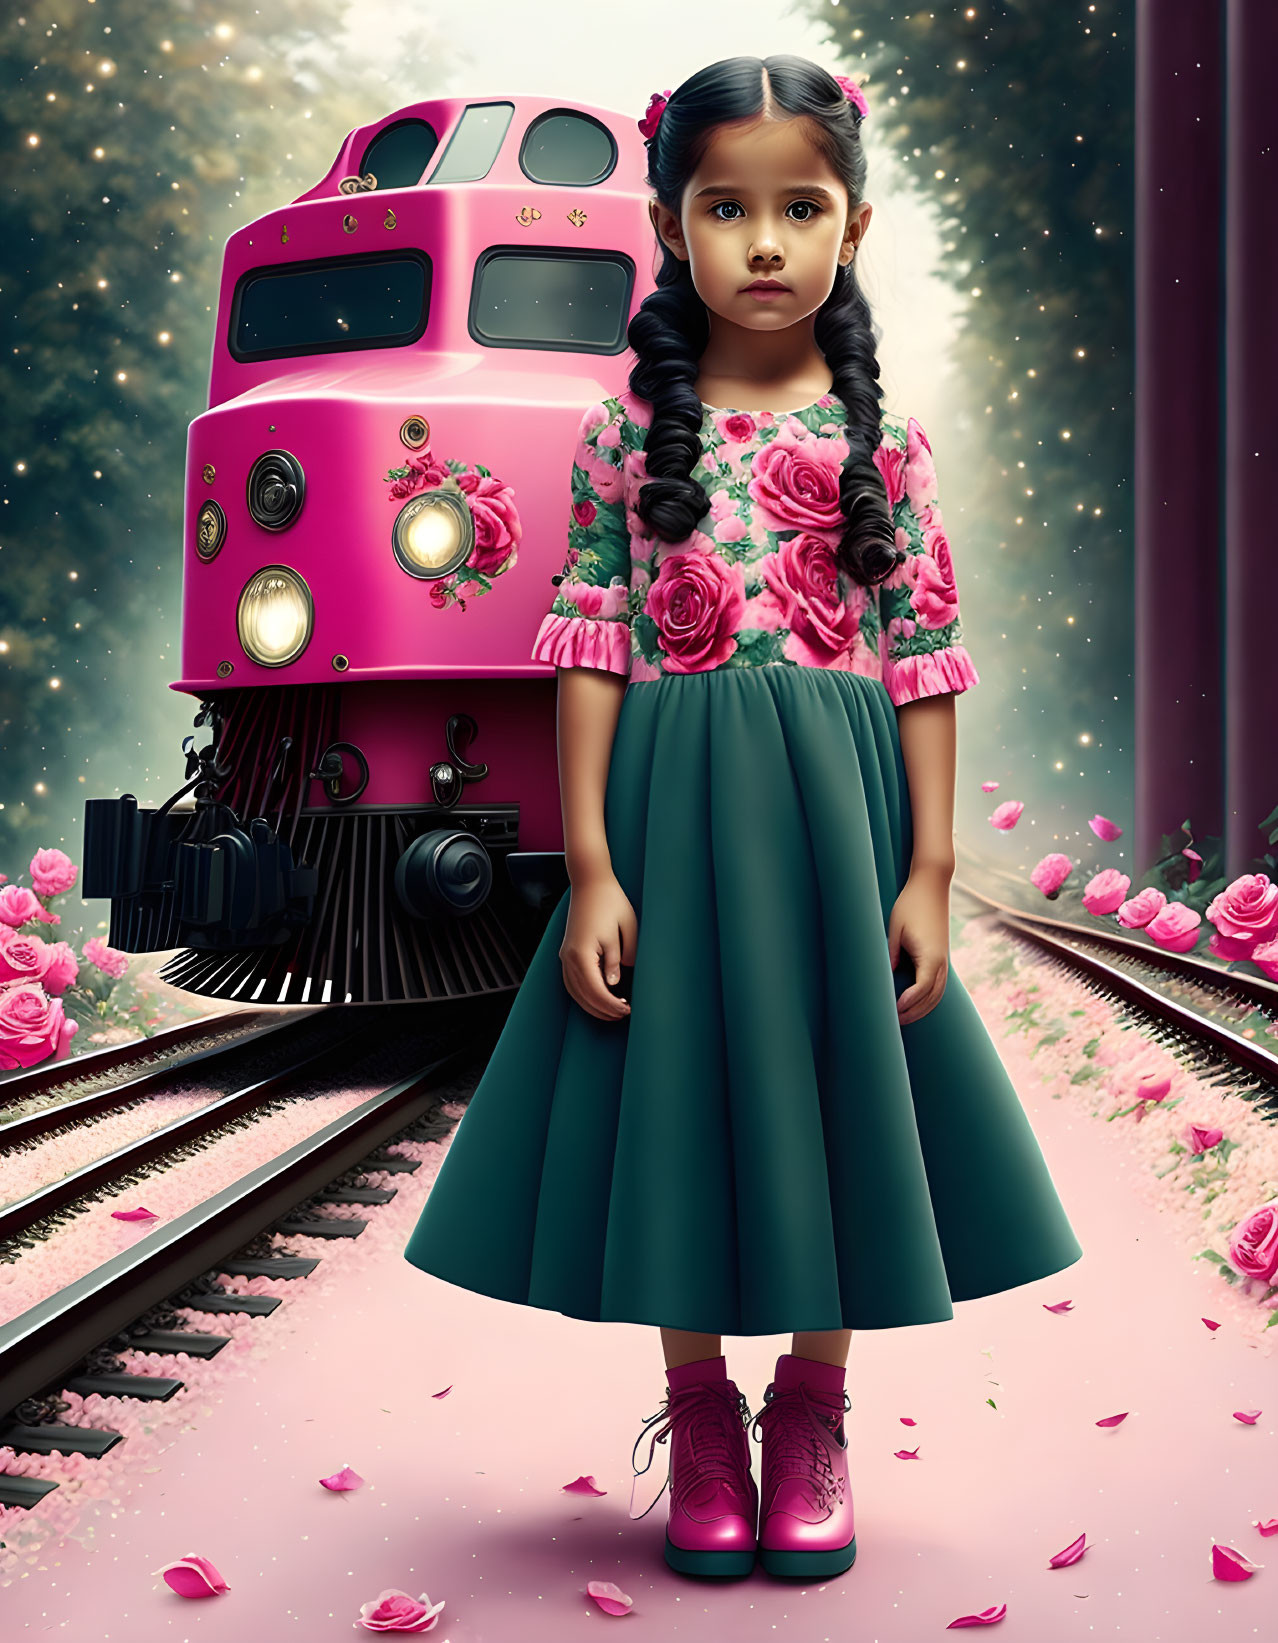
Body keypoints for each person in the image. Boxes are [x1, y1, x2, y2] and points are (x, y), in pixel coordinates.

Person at [403, 54, 1082, 1585]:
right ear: (668, 224)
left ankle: (817, 1409)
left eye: (799, 207)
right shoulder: (617, 441)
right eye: (725, 208)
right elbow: (586, 649)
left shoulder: (879, 446)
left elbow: (920, 663)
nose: (762, 243)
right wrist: (588, 864)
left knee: (836, 1093)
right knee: (683, 1092)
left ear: (854, 228)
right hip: (672, 810)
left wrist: (927, 868)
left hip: (835, 820)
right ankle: (699, 1415)